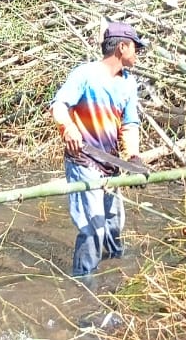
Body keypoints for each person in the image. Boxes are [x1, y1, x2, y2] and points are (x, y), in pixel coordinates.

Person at [50, 21, 146, 278]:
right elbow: (59, 105)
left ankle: (115, 275)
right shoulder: (85, 75)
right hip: (84, 161)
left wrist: (133, 157)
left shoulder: (128, 84)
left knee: (114, 226)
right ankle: (83, 283)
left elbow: (129, 123)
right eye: (135, 47)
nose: (138, 53)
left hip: (110, 163)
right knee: (93, 229)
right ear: (122, 47)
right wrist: (68, 128)